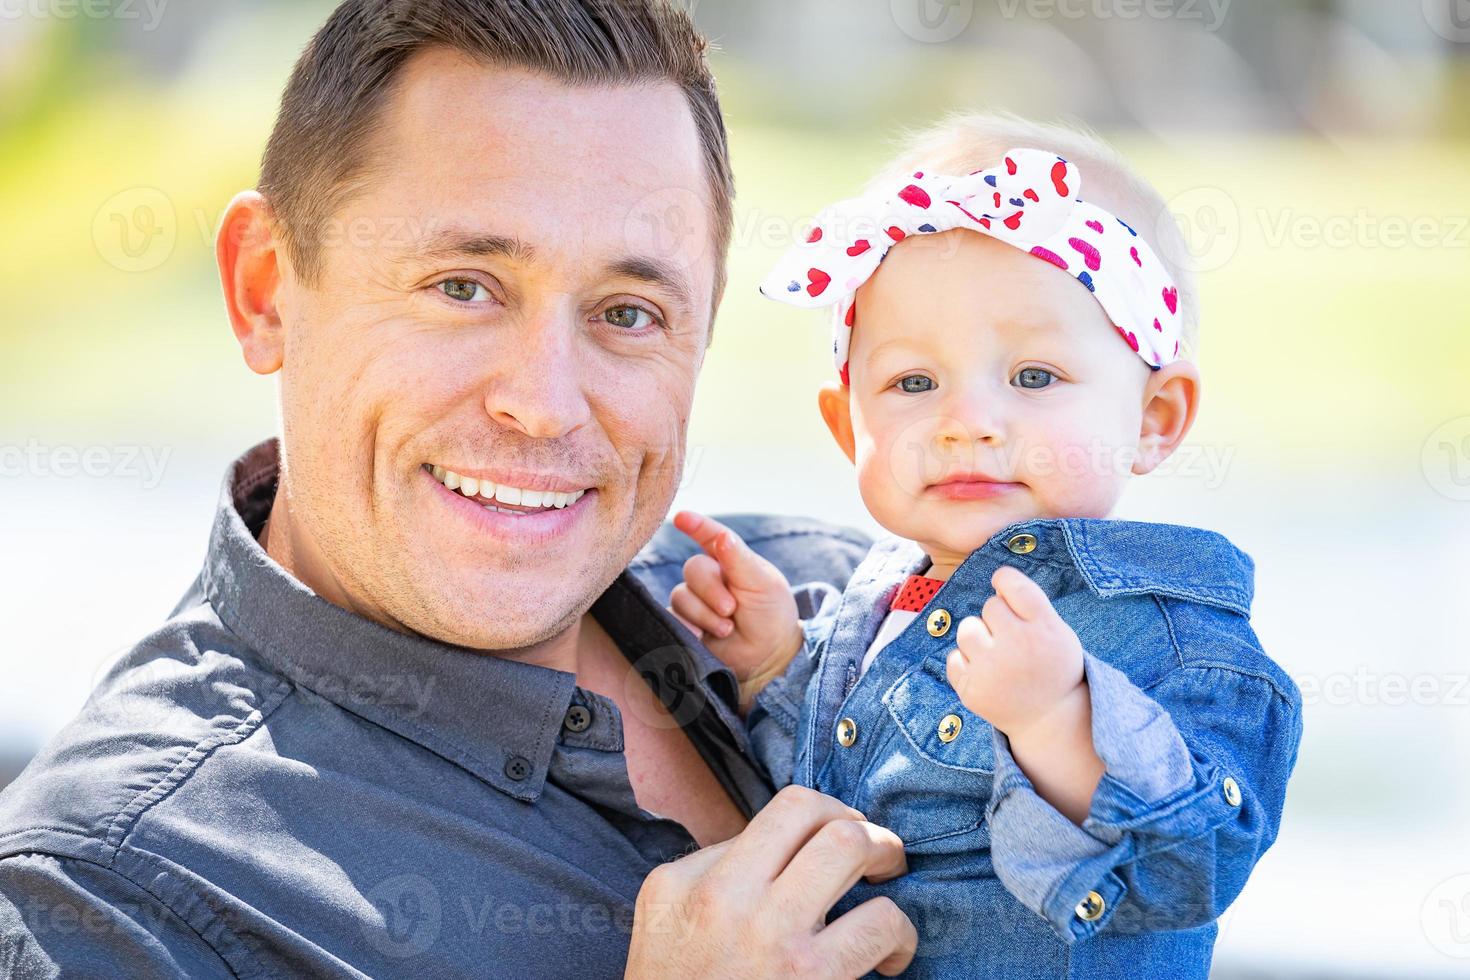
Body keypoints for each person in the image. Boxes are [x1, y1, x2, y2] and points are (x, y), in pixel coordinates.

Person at [0, 2, 921, 976]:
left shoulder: (855, 610)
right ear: (266, 288)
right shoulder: (105, 900)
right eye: (463, 287)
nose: (545, 403)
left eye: (627, 311)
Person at [668, 113, 1304, 978]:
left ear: (1154, 418)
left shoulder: (1158, 634)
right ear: (846, 423)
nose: (966, 422)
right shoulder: (883, 603)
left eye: (1034, 377)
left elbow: (1199, 864)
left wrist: (1060, 722)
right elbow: (834, 784)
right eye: (914, 382)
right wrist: (775, 664)